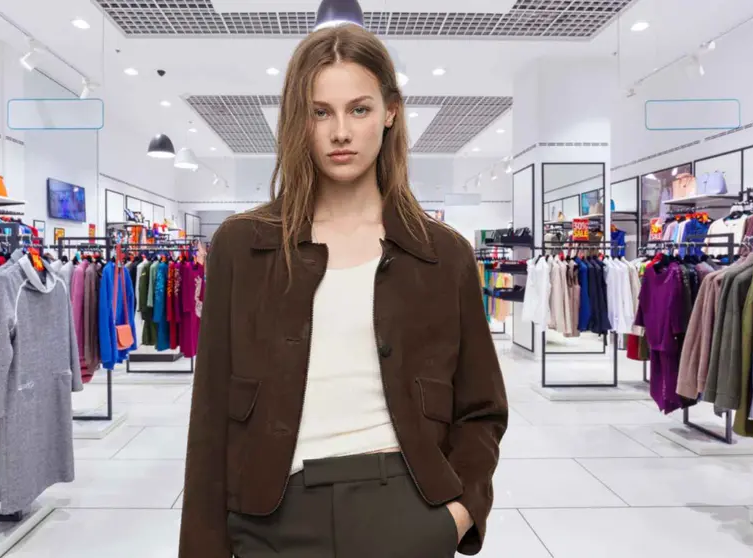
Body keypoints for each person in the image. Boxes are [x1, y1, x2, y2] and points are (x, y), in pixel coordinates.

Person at [179, 24, 508, 558]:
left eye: (359, 109)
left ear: (390, 112)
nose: (340, 132)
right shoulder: (242, 247)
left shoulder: (442, 254)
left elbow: (482, 409)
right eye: (320, 111)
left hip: (408, 512)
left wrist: (459, 513)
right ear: (297, 120)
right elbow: (210, 418)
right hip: (269, 519)